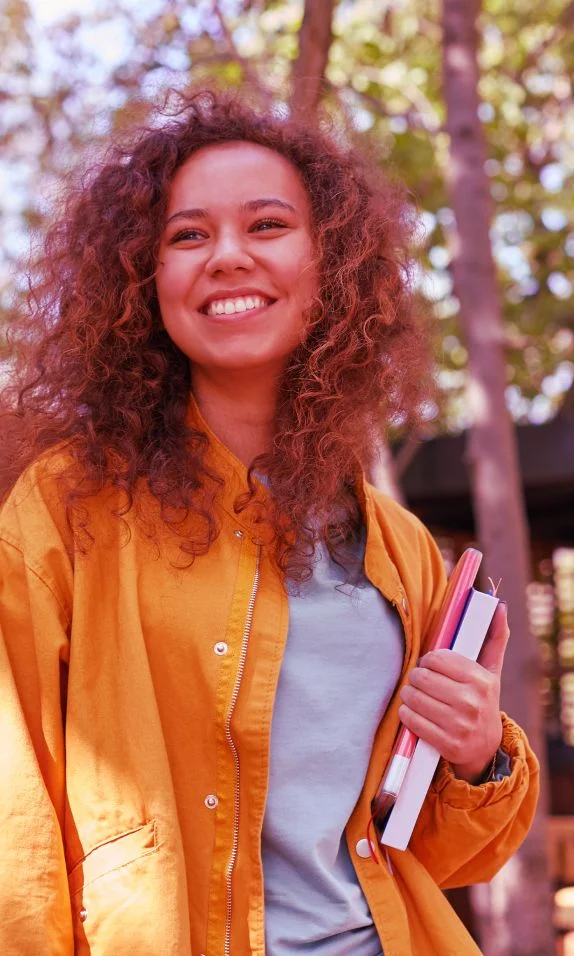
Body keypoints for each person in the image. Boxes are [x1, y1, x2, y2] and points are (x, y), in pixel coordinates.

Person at [0, 89, 539, 956]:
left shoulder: (398, 546)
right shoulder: (68, 510)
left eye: (267, 226)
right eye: (187, 235)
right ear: (146, 279)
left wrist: (481, 754)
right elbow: (11, 823)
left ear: (332, 267)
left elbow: (440, 850)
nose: (226, 257)